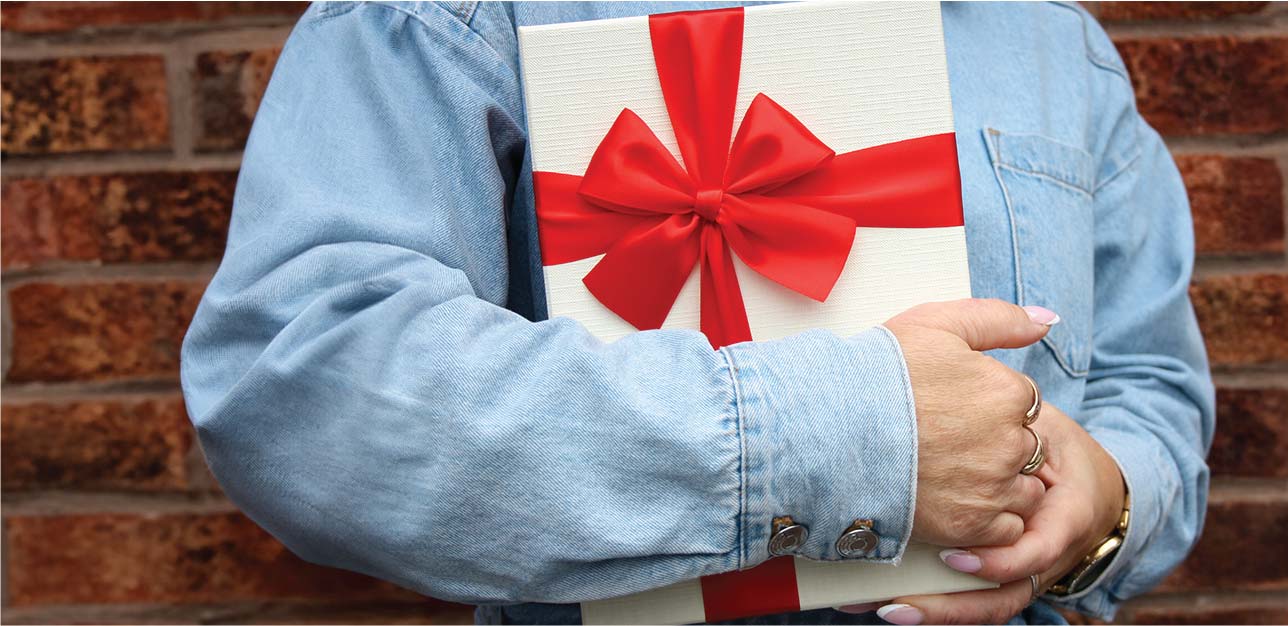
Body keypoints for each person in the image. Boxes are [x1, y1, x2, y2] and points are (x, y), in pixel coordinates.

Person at [179, 2, 1214, 624]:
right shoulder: (462, 13)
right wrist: (854, 438)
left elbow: (1153, 384)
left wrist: (1103, 497)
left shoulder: (1054, 43)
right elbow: (304, 381)